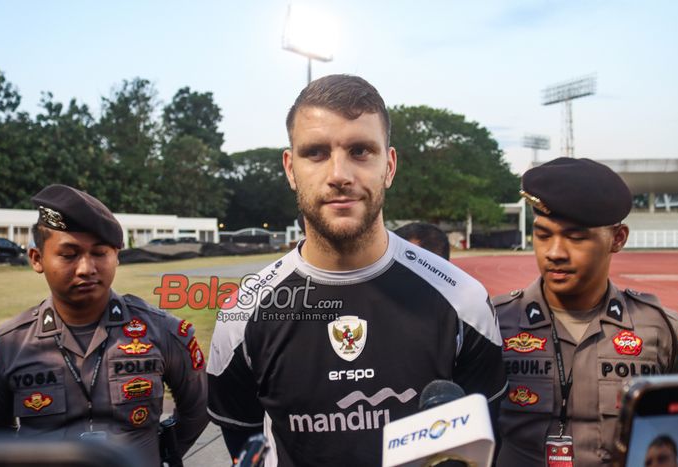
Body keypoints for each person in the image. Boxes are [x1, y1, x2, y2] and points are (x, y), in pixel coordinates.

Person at [207, 74, 506, 466]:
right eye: (315, 152)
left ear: (390, 165)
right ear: (290, 168)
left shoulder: (463, 302)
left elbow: (482, 443)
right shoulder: (241, 316)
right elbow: (244, 445)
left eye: (361, 151)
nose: (339, 175)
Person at [0, 184, 208, 467]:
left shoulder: (163, 332)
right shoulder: (7, 346)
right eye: (69, 254)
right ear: (37, 259)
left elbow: (198, 409)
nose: (86, 268)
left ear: (116, 255)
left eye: (99, 252)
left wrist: (156, 452)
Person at [494, 158, 678, 466]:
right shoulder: (494, 323)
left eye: (576, 237)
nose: (555, 252)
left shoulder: (660, 329)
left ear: (618, 238)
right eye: (543, 235)